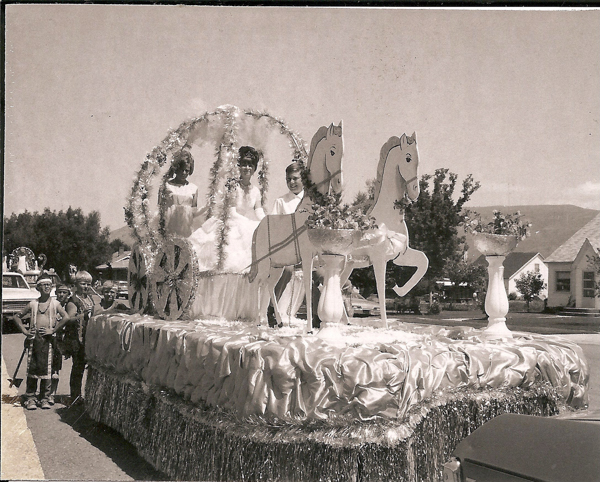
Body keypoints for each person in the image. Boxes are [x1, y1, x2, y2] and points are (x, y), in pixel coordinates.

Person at [189, 146, 266, 273]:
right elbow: (231, 212)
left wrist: (267, 221)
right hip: (229, 222)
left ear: (254, 169)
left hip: (242, 223)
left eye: (250, 165)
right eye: (243, 164)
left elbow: (258, 211)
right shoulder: (232, 186)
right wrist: (248, 224)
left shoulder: (256, 191)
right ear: (238, 166)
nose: (247, 168)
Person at [13, 275, 70, 410]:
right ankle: (31, 398)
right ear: (38, 287)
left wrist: (53, 329)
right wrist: (25, 331)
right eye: (43, 285)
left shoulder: (55, 304)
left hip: (49, 341)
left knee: (47, 369)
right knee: (33, 368)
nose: (46, 287)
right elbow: (16, 317)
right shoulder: (33, 304)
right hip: (34, 341)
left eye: (49, 285)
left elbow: (66, 317)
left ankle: (44, 398)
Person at [267, 162, 305, 327]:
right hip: (287, 248)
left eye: (295, 178)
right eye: (288, 179)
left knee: (321, 273)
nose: (292, 182)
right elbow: (273, 228)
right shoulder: (281, 201)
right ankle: (272, 309)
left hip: (307, 248)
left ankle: (318, 316)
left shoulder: (310, 200)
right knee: (287, 270)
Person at [64, 271, 95, 406]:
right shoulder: (73, 300)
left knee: (83, 367)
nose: (86, 287)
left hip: (89, 337)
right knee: (77, 367)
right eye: (83, 284)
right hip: (77, 339)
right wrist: (83, 315)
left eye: (88, 284)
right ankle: (75, 395)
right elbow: (69, 319)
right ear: (76, 285)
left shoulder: (89, 298)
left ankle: (80, 395)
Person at [161, 149, 205, 238]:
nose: (184, 173)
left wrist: (207, 206)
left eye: (187, 170)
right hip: (169, 229)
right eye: (181, 170)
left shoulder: (193, 188)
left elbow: (194, 213)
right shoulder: (167, 186)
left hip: (186, 231)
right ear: (176, 169)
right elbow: (160, 210)